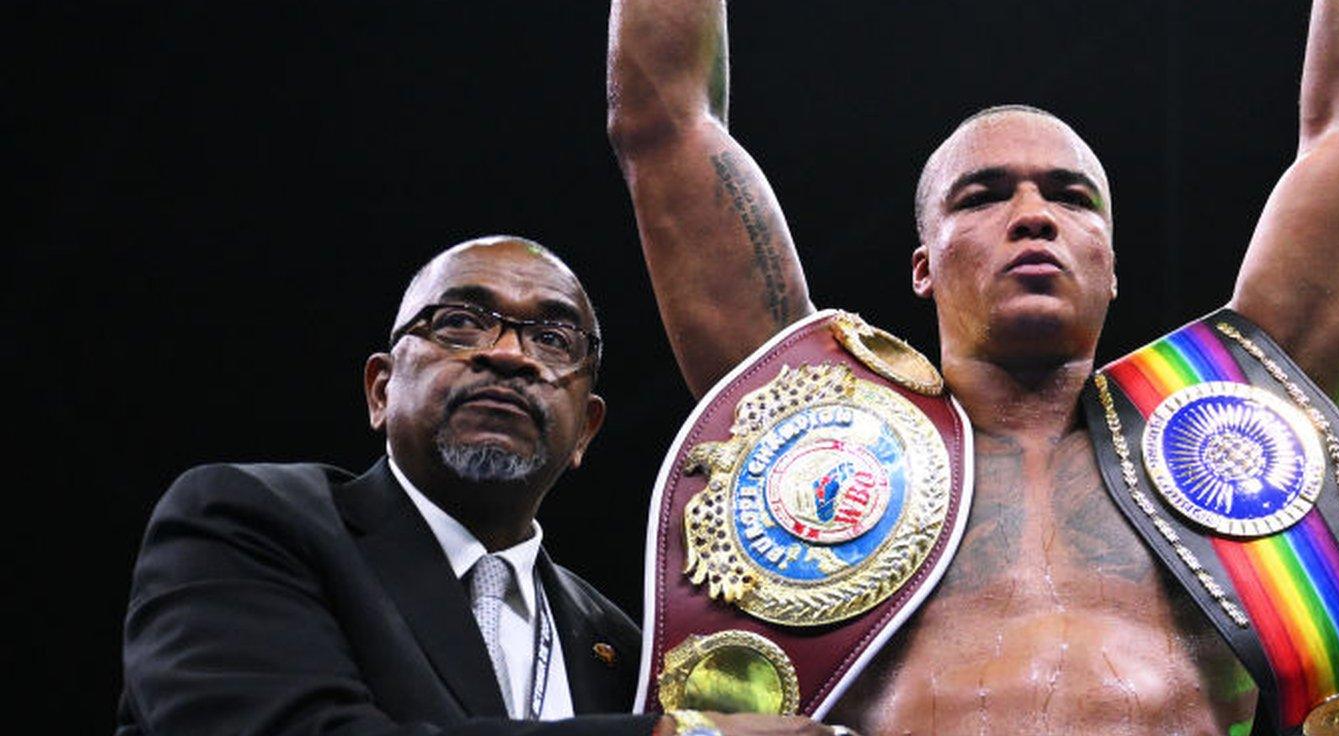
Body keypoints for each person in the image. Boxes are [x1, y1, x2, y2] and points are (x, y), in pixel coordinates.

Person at [610, 0, 1339, 735]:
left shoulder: (1239, 434)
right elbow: (663, 125)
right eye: (982, 195)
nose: (1032, 213)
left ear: (1113, 259)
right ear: (920, 263)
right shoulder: (805, 439)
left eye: (1071, 197)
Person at [116, 235, 844, 736]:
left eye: (553, 340)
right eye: (461, 322)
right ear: (379, 390)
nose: (508, 356)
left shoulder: (619, 645)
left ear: (586, 431)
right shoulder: (247, 523)